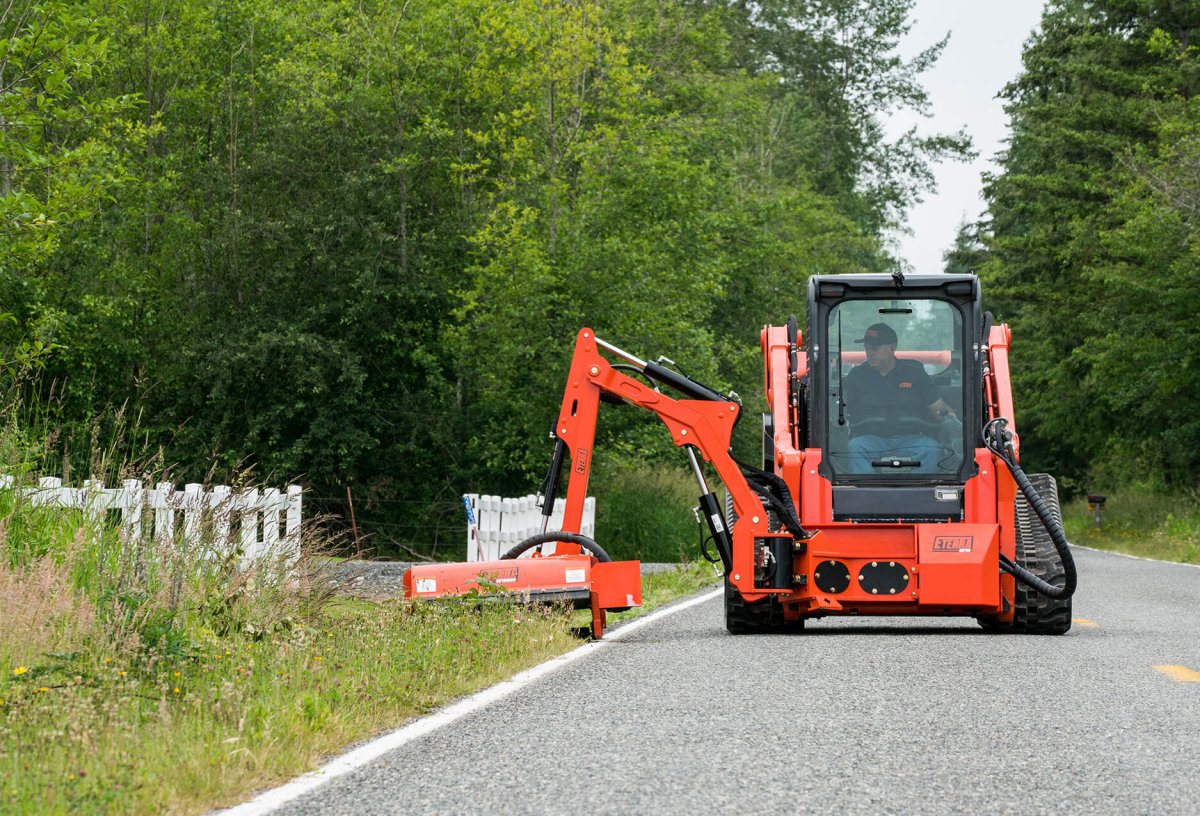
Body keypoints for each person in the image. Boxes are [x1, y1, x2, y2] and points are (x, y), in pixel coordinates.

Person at [841, 322, 957, 473]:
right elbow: (842, 408)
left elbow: (938, 409)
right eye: (867, 348)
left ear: (892, 347)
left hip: (912, 438)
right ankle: (867, 493)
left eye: (874, 348)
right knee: (854, 448)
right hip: (870, 439)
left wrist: (953, 422)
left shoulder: (915, 374)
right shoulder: (856, 376)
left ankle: (918, 494)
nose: (869, 353)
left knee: (932, 449)